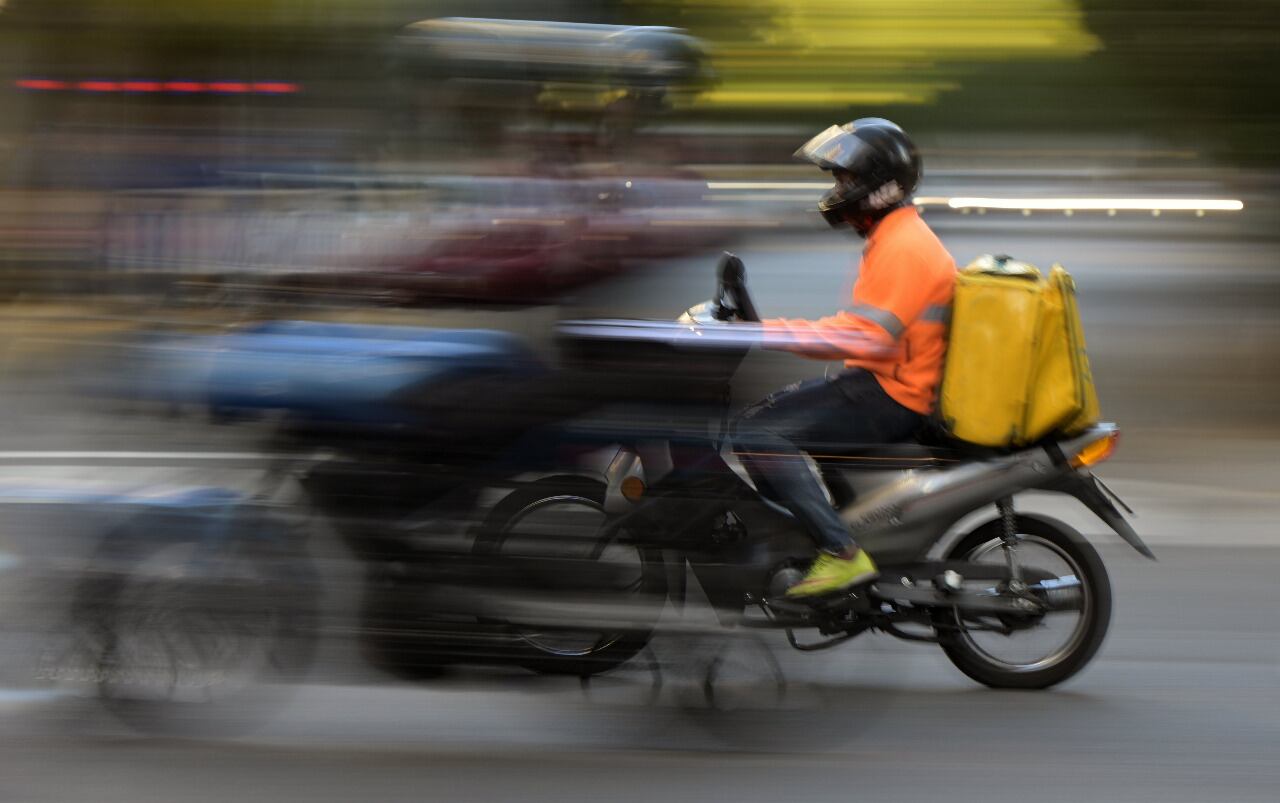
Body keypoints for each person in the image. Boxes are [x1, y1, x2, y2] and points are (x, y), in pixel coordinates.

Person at [734, 118, 956, 599]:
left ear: (879, 185)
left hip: (890, 395)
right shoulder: (896, 238)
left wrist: (765, 332)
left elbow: (862, 336)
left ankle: (840, 553)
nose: (838, 190)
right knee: (765, 418)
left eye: (846, 179)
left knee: (758, 433)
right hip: (882, 383)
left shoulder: (905, 247)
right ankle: (817, 536)